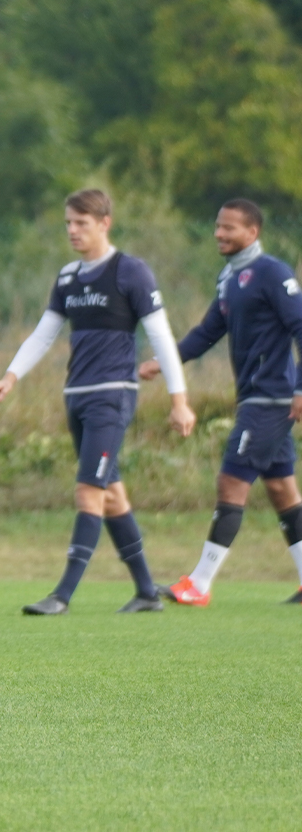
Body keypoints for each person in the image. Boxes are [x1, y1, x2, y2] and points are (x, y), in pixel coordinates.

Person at [0, 189, 196, 614]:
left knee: (88, 492)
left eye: (81, 223)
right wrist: (10, 376)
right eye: (68, 223)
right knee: (111, 494)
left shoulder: (130, 272)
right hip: (76, 397)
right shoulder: (68, 278)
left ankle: (61, 595)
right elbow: (44, 334)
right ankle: (146, 592)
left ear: (104, 223)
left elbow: (161, 337)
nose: (72, 230)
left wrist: (180, 400)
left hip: (112, 397)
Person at [141, 199, 302, 606]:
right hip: (255, 397)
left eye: (228, 227)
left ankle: (199, 583)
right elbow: (207, 332)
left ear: (252, 232)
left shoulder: (272, 273)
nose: (218, 233)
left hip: (271, 398)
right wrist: (165, 361)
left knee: (232, 481)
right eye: (217, 226)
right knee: (281, 489)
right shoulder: (229, 277)